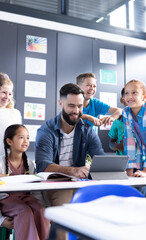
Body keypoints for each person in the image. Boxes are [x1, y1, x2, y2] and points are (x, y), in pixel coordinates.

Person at [35, 83, 104, 221]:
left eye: (79, 106)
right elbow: (43, 165)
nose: (76, 111)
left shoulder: (86, 130)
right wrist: (73, 171)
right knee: (67, 213)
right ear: (61, 103)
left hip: (79, 182)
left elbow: (100, 158)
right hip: (54, 183)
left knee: (99, 206)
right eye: (71, 106)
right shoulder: (46, 131)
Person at [0, 124, 50, 240]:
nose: (26, 141)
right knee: (24, 211)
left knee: (41, 209)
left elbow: (35, 190)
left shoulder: (30, 164)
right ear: (9, 141)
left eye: (27, 137)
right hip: (6, 201)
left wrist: (42, 203)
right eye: (21, 137)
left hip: (26, 198)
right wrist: (1, 220)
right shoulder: (1, 163)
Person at [122, 79, 146, 178]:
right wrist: (129, 169)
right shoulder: (126, 112)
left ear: (144, 97)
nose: (129, 96)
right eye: (126, 93)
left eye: (134, 93)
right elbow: (129, 141)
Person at [0, 73, 22, 156]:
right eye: (4, 92)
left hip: (8, 159)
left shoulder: (15, 113)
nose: (7, 97)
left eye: (10, 94)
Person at [109, 88, 127, 155]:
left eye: (134, 93)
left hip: (140, 162)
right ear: (122, 100)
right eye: (127, 94)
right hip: (122, 161)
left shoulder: (143, 120)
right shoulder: (117, 122)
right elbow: (111, 144)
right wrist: (119, 146)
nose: (131, 97)